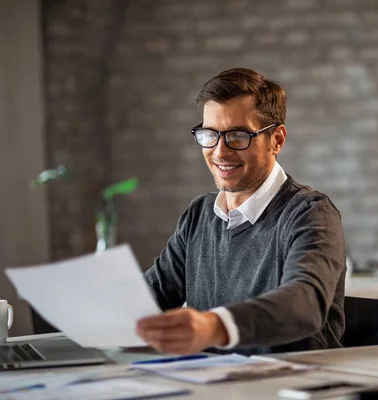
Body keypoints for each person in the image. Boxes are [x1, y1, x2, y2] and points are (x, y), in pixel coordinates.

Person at [137, 68, 346, 355]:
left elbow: (305, 304)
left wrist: (213, 327)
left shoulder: (310, 213)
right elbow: (146, 299)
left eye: (237, 135)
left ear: (277, 140)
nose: (220, 152)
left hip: (288, 386)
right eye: (209, 134)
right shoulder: (200, 216)